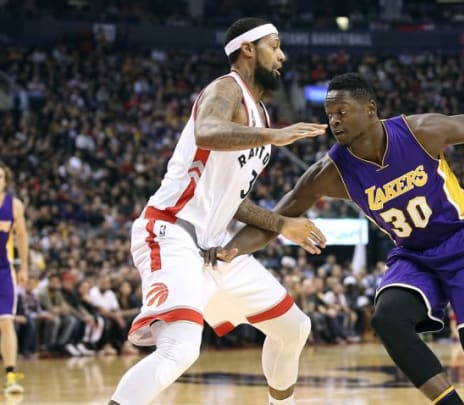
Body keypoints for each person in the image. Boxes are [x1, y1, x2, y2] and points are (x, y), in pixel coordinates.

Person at [210, 73, 464, 403]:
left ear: (371, 110)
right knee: (387, 318)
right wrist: (231, 249)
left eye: (343, 111)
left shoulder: (420, 132)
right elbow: (277, 216)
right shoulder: (329, 173)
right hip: (414, 255)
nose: (334, 121)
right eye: (330, 114)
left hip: (463, 240)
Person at [109, 18, 328, 405]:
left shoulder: (259, 112)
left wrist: (282, 224)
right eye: (274, 46)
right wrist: (272, 136)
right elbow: (207, 130)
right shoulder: (225, 89)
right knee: (179, 350)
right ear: (248, 49)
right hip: (171, 230)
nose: (282, 55)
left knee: (294, 327)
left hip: (213, 248)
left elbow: (231, 201)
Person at [0, 162, 28, 394]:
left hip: (3, 271)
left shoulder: (14, 205)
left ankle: (10, 374)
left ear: (5, 180)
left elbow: (22, 236)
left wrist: (25, 267)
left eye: (0, 177)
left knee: (6, 322)